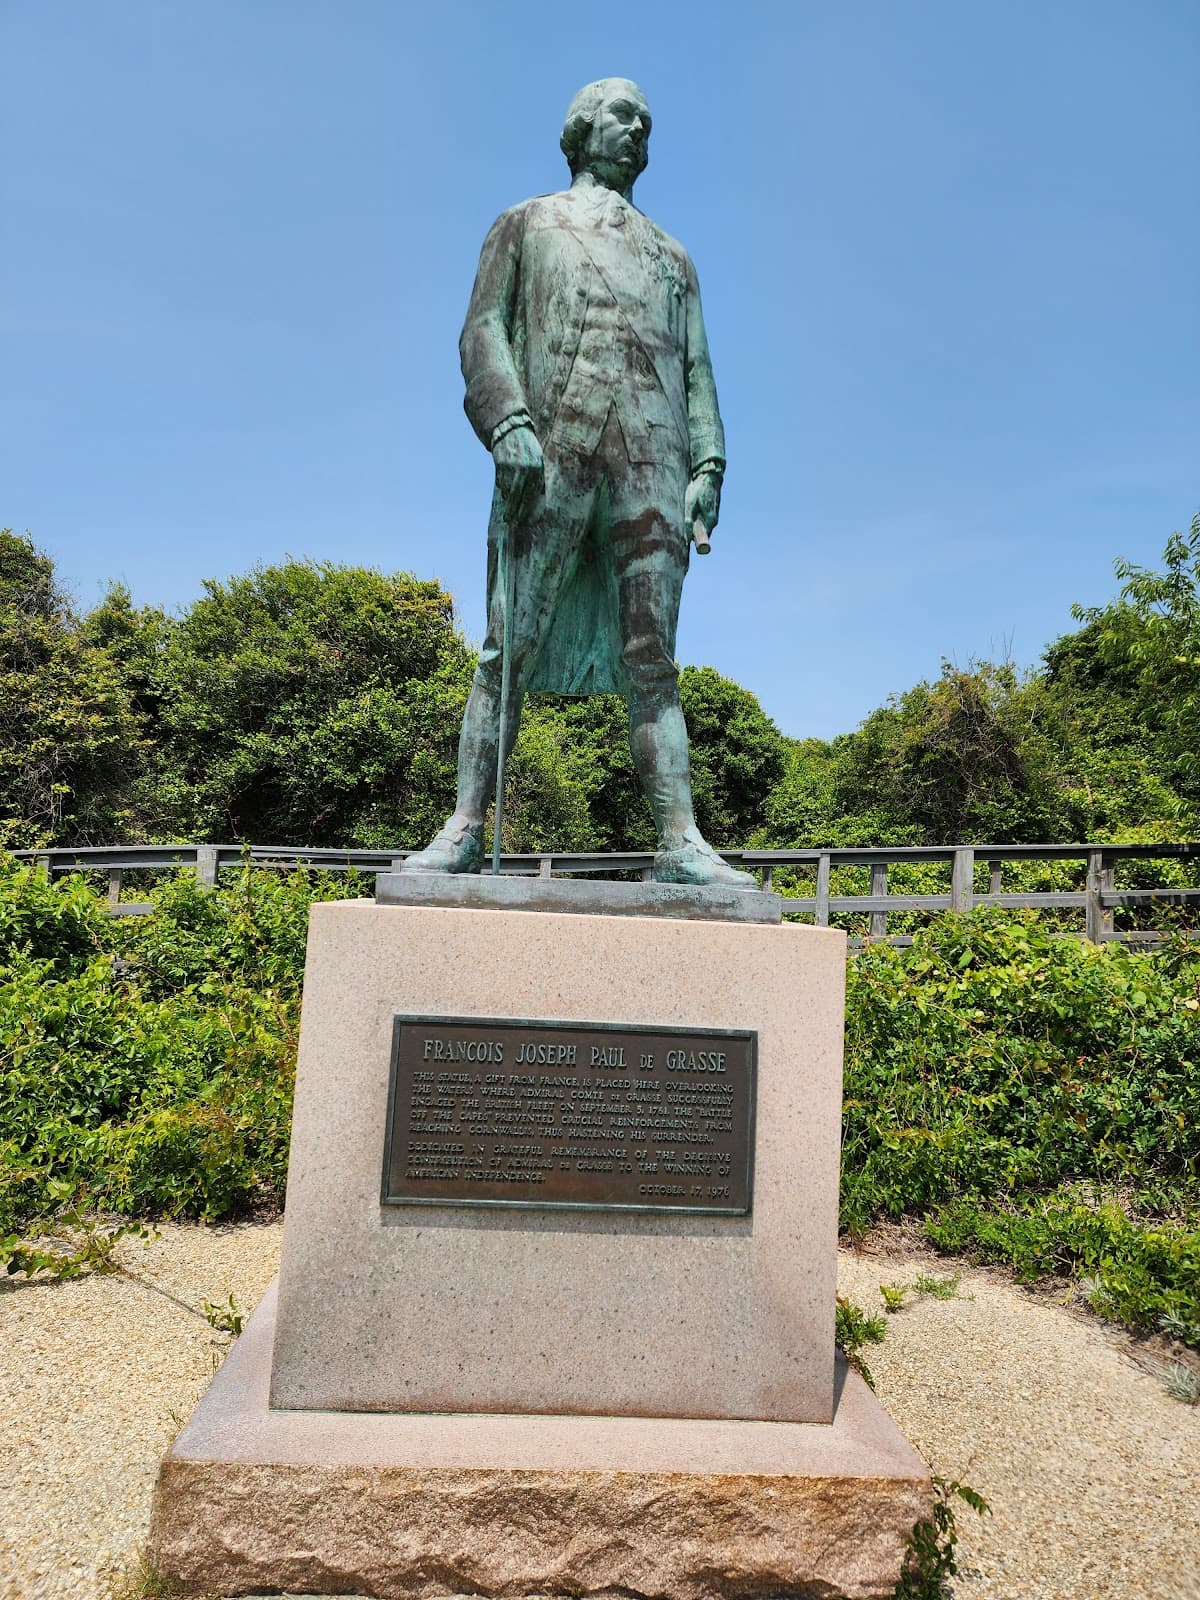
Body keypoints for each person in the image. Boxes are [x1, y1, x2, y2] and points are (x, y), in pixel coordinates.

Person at [404, 77, 752, 888]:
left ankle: (681, 841)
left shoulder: (675, 256)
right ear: (581, 132)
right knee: (506, 648)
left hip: (652, 464)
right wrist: (508, 422)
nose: (638, 131)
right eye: (623, 117)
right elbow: (482, 329)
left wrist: (708, 465)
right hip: (551, 450)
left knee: (654, 660)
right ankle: (462, 827)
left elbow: (698, 368)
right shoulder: (526, 224)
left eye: (647, 123)